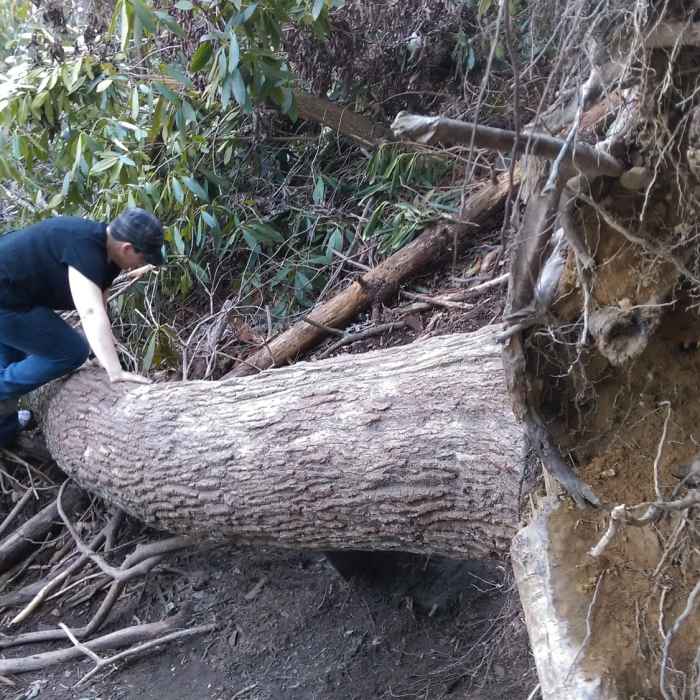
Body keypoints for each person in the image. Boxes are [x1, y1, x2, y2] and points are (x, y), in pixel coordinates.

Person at [0, 208, 164, 447]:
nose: (143, 264)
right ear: (127, 248)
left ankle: (5, 435)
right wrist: (114, 371)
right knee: (71, 351)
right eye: (144, 258)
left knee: (11, 356)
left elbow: (100, 302)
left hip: (14, 294)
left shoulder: (108, 252)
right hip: (6, 299)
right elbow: (90, 312)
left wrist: (105, 354)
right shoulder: (85, 249)